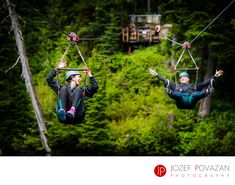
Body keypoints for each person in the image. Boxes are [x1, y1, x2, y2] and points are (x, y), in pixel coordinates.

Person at [149, 69, 223, 109]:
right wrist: (156, 74)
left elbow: (205, 83)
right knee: (179, 94)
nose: (182, 78)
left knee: (195, 94)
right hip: (181, 102)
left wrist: (215, 76)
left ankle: (208, 91)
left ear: (188, 79)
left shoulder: (194, 86)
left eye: (184, 77)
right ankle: (169, 92)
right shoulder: (176, 86)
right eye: (181, 78)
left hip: (191, 102)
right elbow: (165, 80)